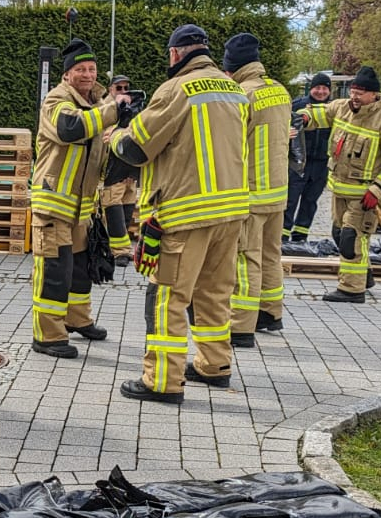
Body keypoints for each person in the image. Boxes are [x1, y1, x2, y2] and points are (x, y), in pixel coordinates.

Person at [108, 24, 250, 403]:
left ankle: (162, 381)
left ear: (175, 54)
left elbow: (137, 148)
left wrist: (118, 134)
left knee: (167, 296)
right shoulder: (234, 90)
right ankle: (214, 365)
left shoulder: (176, 89)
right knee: (215, 292)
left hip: (185, 213)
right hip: (231, 211)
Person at [29, 38, 129, 359]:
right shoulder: (56, 101)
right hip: (54, 206)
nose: (87, 74)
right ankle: (48, 335)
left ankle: (77, 319)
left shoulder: (99, 103)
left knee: (81, 270)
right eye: (80, 69)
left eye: (92, 69)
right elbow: (70, 128)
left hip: (82, 208)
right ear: (67, 74)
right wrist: (113, 110)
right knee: (55, 270)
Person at [301, 65, 381, 302]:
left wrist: (377, 189)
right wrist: (304, 117)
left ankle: (352, 289)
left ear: (374, 94)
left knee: (352, 238)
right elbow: (321, 114)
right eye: (353, 91)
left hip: (364, 195)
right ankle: (365, 274)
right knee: (339, 234)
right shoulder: (343, 108)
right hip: (339, 189)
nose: (354, 96)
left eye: (360, 93)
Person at [222, 33, 292, 344]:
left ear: (233, 66)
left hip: (250, 192)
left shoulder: (241, 95)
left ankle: (240, 326)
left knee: (245, 257)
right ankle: (271, 312)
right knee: (270, 254)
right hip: (278, 191)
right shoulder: (279, 91)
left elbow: (232, 145)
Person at [285, 73, 333, 243]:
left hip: (321, 164)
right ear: (311, 88)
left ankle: (300, 236)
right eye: (317, 88)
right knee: (290, 200)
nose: (320, 92)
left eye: (324, 88)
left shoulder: (334, 110)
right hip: (298, 163)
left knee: (310, 201)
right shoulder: (298, 106)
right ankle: (282, 235)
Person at [100, 74, 142, 260]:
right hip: (110, 170)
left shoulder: (132, 108)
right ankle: (120, 251)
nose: (124, 92)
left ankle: (117, 249)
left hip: (128, 169)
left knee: (126, 209)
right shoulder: (105, 108)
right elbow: (105, 137)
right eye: (119, 88)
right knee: (113, 210)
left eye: (126, 88)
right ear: (110, 90)